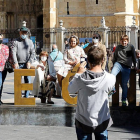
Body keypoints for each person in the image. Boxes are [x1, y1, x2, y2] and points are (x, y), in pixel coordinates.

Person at [68, 46, 116, 140]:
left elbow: (71, 90)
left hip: (83, 119)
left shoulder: (80, 78)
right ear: (103, 60)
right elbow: (111, 91)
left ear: (88, 60)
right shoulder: (110, 78)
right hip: (102, 119)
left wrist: (78, 74)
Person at [111, 35, 137, 106]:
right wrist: (113, 65)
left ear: (127, 41)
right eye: (122, 41)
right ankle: (112, 88)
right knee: (112, 75)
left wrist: (135, 65)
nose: (123, 42)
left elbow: (134, 57)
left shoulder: (130, 47)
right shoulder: (118, 48)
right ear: (120, 41)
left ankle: (124, 100)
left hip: (127, 66)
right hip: (118, 64)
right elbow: (115, 57)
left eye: (125, 41)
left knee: (124, 84)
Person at [12, 26, 35, 98]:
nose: (24, 34)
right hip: (18, 64)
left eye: (25, 33)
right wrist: (15, 62)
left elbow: (33, 53)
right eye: (23, 32)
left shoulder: (30, 42)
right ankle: (18, 97)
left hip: (27, 64)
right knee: (18, 81)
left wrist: (30, 61)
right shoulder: (16, 41)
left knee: (27, 81)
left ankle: (26, 96)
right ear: (20, 32)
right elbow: (13, 52)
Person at [0, 34, 9, 105]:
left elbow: (6, 56)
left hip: (3, 68)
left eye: (1, 38)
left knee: (1, 83)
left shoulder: (5, 47)